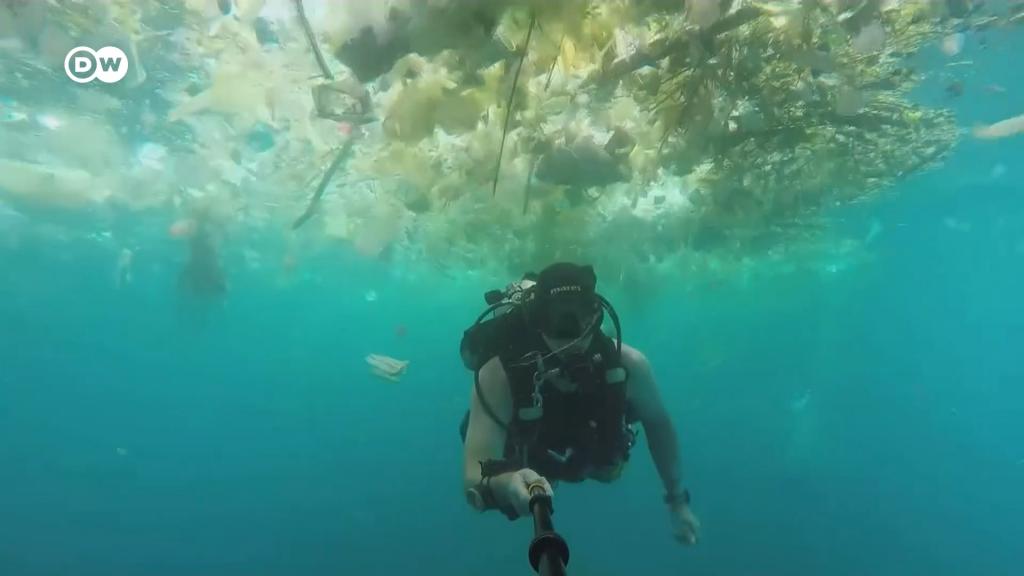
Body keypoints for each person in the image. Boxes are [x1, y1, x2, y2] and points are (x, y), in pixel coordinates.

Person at [459, 262, 701, 545]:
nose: (570, 336)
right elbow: (474, 475)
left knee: (608, 468)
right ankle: (520, 291)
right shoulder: (499, 375)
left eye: (580, 317)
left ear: (596, 315)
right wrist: (505, 484)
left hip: (586, 443)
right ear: (537, 321)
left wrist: (677, 501)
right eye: (557, 321)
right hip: (528, 452)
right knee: (542, 479)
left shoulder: (628, 365)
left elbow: (658, 425)